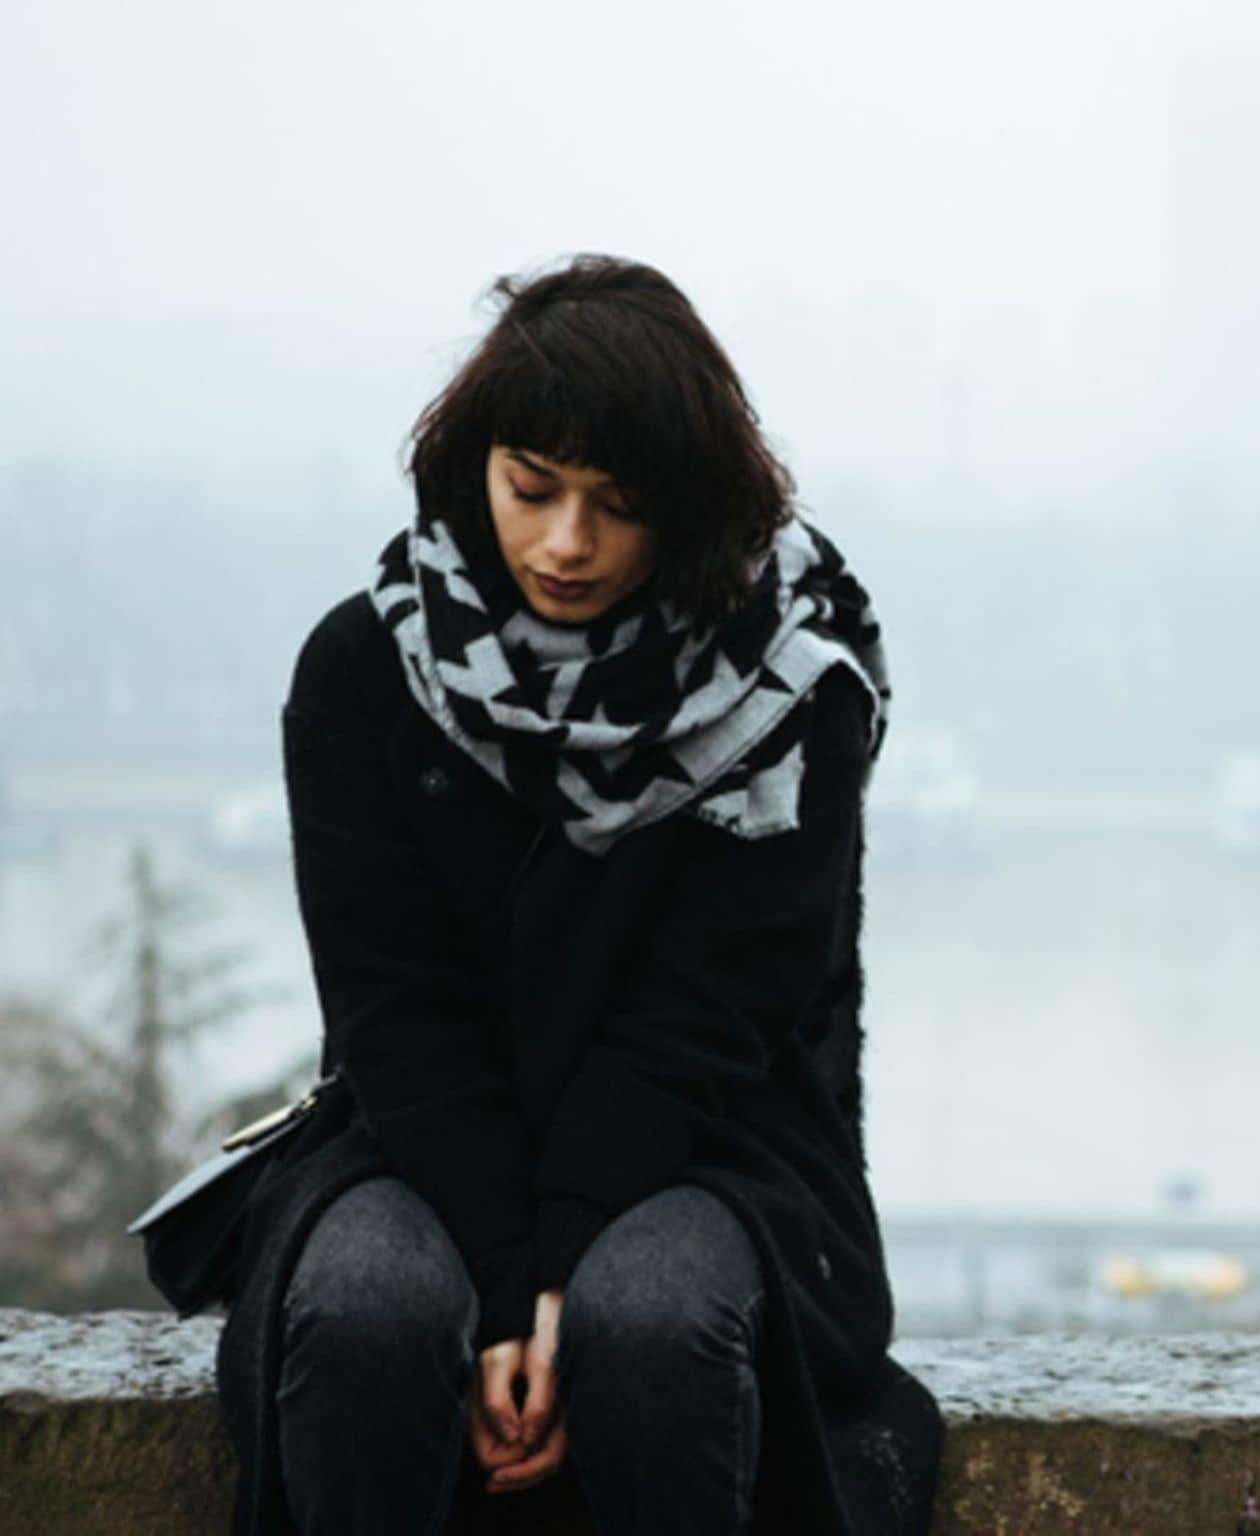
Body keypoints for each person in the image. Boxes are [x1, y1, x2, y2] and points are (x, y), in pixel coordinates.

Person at [211, 253, 944, 1536]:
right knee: (369, 1312)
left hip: (719, 1135)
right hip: (416, 1126)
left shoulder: (789, 691)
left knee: (648, 1325)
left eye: (618, 503)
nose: (566, 543)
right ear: (472, 467)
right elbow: (392, 1005)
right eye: (531, 489)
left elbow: (716, 1012)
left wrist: (553, 1283)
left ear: (694, 504)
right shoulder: (364, 672)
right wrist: (507, 1284)